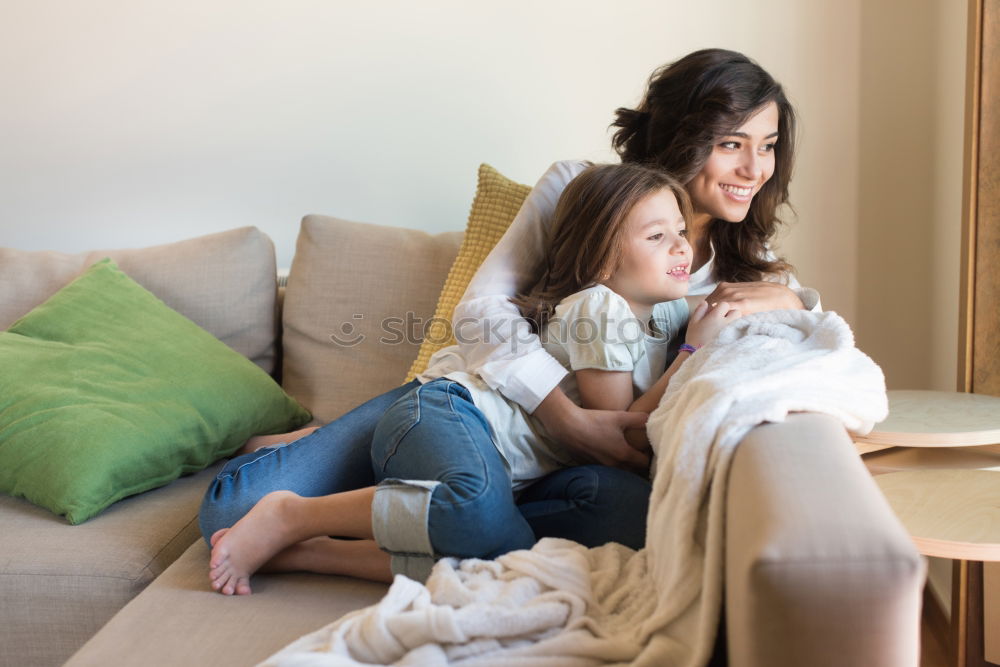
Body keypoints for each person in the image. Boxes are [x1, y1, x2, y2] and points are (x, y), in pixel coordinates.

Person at [199, 47, 818, 590]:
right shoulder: (582, 190)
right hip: (477, 406)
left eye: (767, 147)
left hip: (548, 465)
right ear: (682, 136)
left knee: (635, 520)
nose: (754, 170)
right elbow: (482, 313)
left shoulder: (744, 268)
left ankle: (423, 517)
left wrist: (792, 300)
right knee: (230, 517)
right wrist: (567, 417)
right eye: (732, 144)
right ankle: (320, 463)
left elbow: (806, 334)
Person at [207, 163, 744, 595]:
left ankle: (306, 552)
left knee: (508, 541)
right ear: (602, 256)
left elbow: (736, 303)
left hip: (508, 463)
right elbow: (622, 430)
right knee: (474, 512)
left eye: (681, 232)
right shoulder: (599, 308)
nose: (682, 249)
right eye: (659, 237)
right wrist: (693, 351)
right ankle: (293, 515)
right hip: (449, 412)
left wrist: (777, 300)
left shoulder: (659, 308)